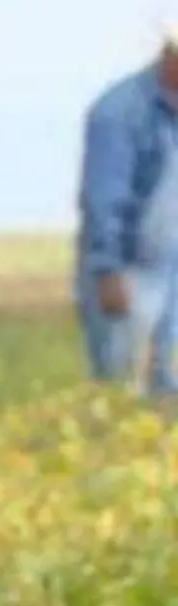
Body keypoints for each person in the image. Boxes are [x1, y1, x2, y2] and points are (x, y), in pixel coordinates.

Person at [76, 21, 178, 402]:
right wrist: (108, 272)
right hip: (128, 272)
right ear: (171, 57)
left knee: (166, 388)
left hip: (171, 269)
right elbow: (104, 198)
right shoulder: (119, 113)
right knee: (122, 390)